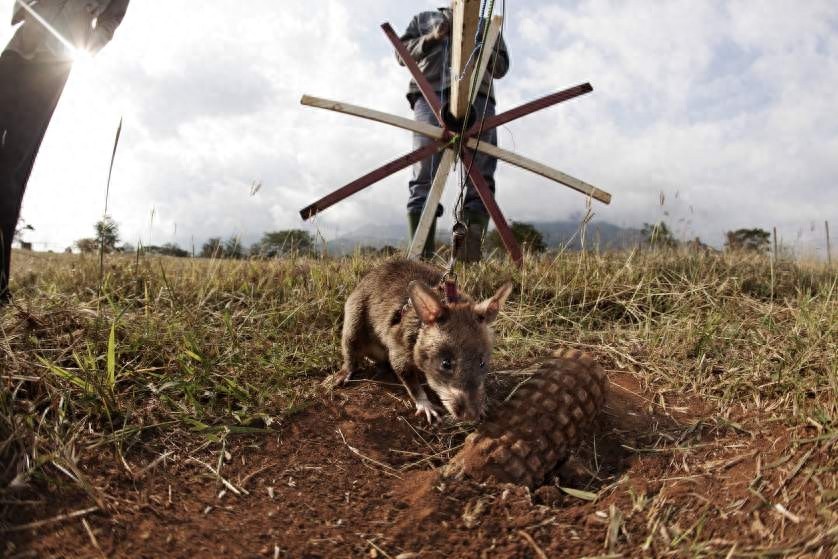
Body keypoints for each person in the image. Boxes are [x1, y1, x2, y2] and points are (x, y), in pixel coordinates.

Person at [0, 0, 130, 305]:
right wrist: (28, 11)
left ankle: (0, 284)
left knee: (12, 169)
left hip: (55, 63)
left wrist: (87, 41)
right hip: (17, 51)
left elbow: (112, 21)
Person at [398, 4, 509, 261]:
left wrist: (481, 50)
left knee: (480, 176)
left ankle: (469, 259)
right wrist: (432, 37)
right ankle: (420, 260)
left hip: (478, 97)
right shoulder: (424, 19)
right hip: (430, 96)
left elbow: (502, 67)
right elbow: (401, 54)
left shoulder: (485, 26)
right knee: (424, 173)